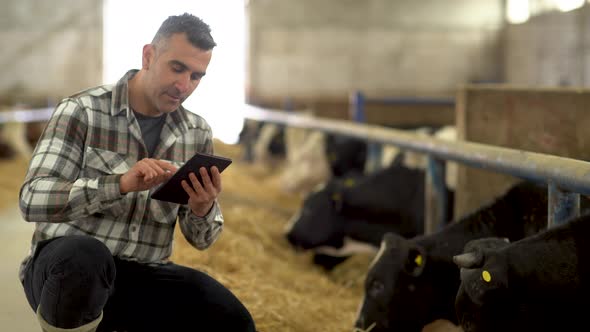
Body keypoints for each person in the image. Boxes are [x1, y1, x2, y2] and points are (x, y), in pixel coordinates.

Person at [18, 13, 256, 332]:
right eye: (177, 68)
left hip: (143, 272)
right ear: (148, 55)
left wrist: (203, 210)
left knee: (232, 320)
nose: (184, 85)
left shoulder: (196, 132)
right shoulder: (81, 110)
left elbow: (202, 241)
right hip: (66, 267)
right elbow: (32, 199)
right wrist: (118, 184)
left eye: (196, 76)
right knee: (85, 257)